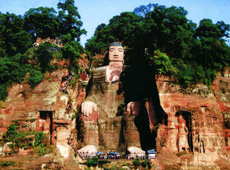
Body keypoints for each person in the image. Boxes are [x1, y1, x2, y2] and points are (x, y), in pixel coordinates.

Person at [77, 42, 152, 155]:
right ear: (108, 53)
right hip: (102, 109)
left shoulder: (131, 71)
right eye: (112, 50)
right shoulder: (98, 72)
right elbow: (92, 93)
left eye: (119, 51)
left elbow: (136, 92)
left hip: (122, 109)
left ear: (124, 55)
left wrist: (135, 101)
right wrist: (88, 101)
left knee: (134, 109)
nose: (115, 53)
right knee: (87, 110)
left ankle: (133, 145)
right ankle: (90, 144)